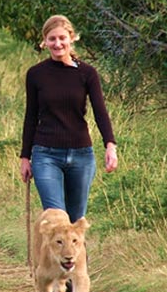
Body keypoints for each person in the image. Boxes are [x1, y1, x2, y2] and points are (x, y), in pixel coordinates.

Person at [20, 14, 118, 223]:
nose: (57, 44)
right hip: (46, 154)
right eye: (52, 39)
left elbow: (100, 111)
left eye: (62, 38)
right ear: (44, 41)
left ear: (72, 38)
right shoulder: (36, 74)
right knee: (56, 219)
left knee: (75, 222)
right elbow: (30, 117)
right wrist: (24, 157)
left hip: (81, 154)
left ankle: (78, 257)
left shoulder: (87, 73)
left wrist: (110, 145)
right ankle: (51, 257)